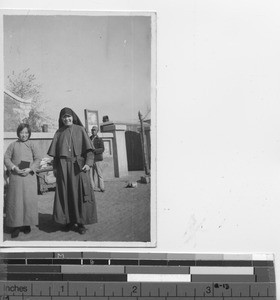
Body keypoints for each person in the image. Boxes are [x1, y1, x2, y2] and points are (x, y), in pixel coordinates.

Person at [47, 107, 97, 234]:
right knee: (66, 194)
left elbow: (89, 152)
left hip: (78, 168)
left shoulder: (80, 130)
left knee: (80, 194)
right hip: (63, 168)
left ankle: (80, 223)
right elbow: (56, 156)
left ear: (73, 117)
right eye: (64, 117)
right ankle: (68, 221)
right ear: (61, 119)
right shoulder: (58, 133)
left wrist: (88, 164)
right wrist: (55, 168)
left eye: (68, 116)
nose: (66, 119)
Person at [4, 123, 41, 238]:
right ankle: (16, 226)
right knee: (15, 202)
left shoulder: (32, 145)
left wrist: (31, 168)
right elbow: (6, 158)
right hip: (16, 178)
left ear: (29, 133)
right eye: (22, 132)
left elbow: (38, 158)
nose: (24, 135)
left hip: (29, 178)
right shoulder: (13, 145)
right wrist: (14, 167)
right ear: (18, 133)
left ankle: (27, 224)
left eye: (26, 133)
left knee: (28, 201)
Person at [90, 126, 105, 192]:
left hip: (98, 159)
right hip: (90, 159)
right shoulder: (89, 139)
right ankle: (92, 187)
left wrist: (95, 150)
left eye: (95, 130)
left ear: (97, 131)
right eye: (92, 130)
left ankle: (102, 187)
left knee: (99, 174)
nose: (93, 131)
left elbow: (102, 149)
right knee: (91, 174)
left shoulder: (99, 139)